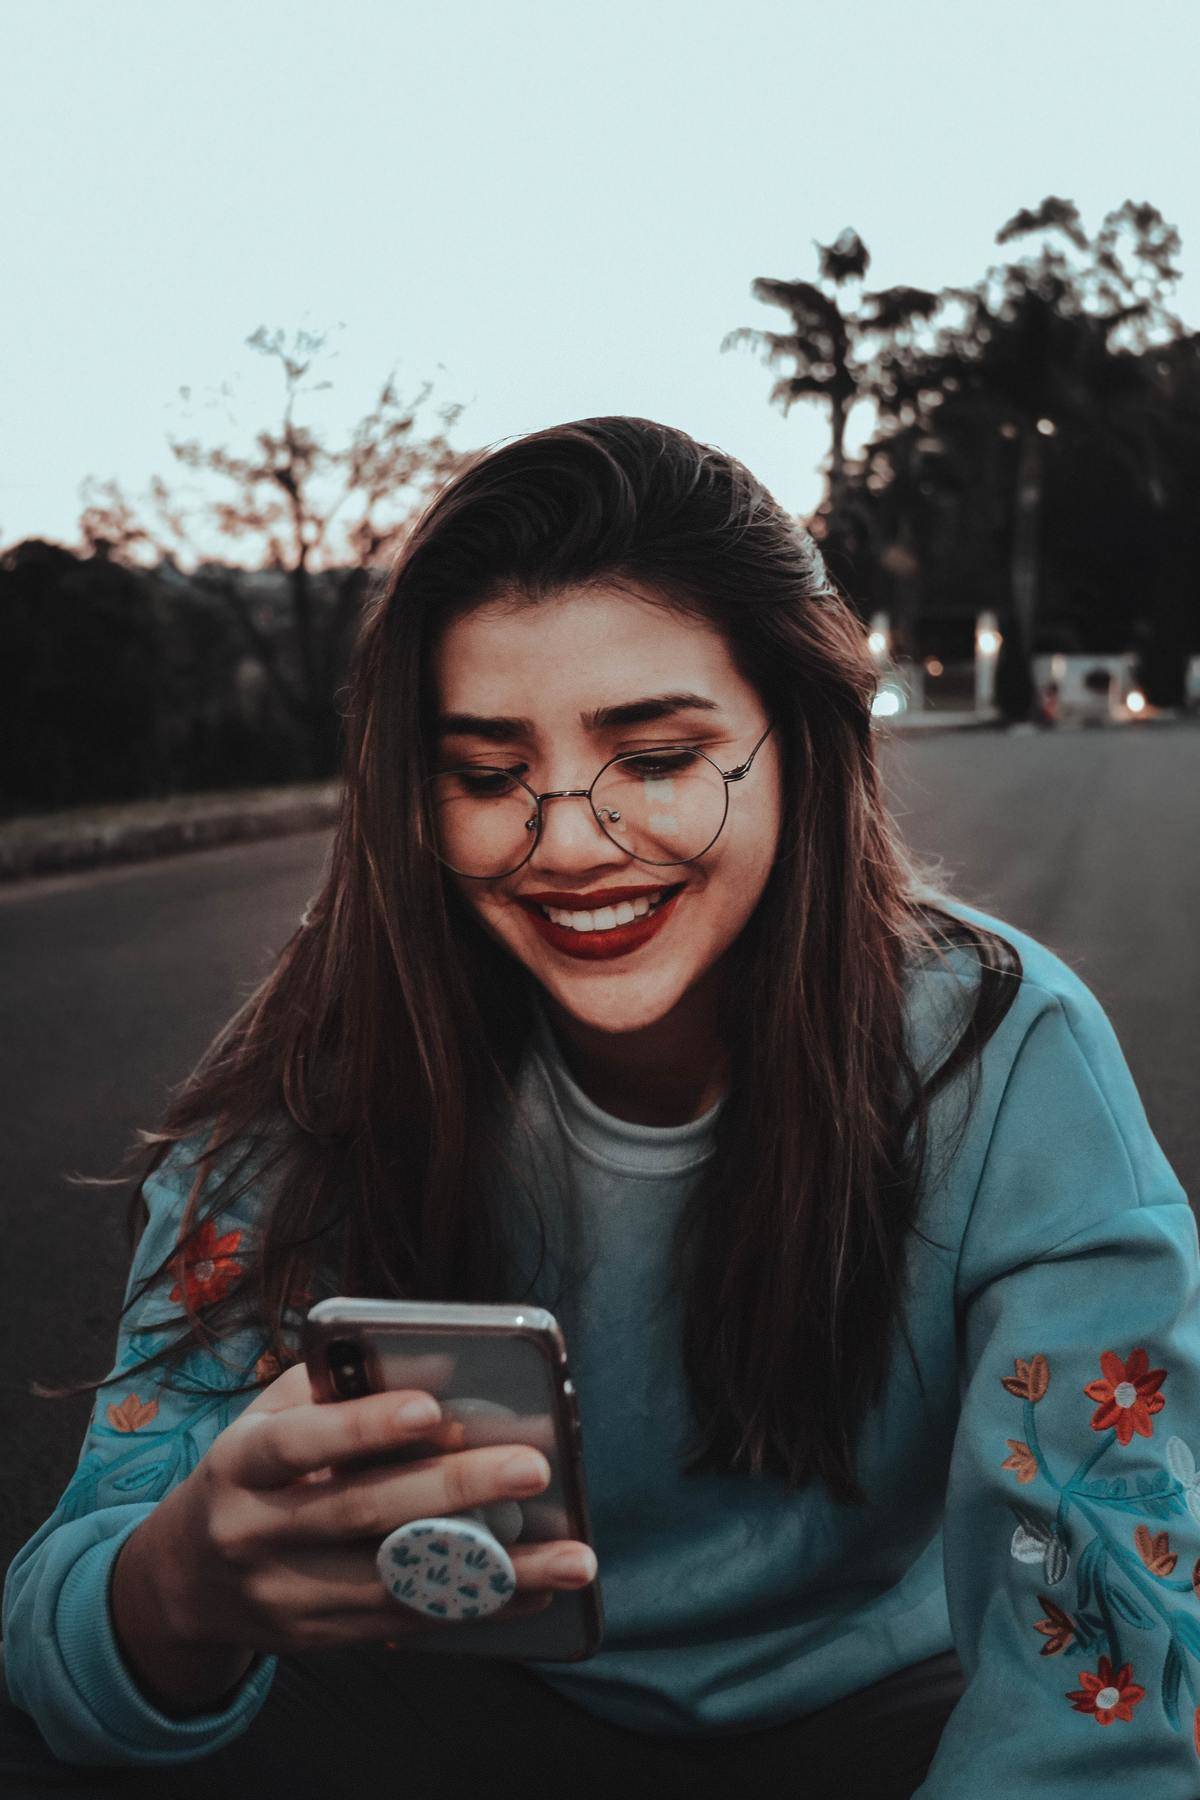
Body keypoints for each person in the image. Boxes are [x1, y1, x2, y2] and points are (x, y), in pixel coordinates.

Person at [2, 416, 1197, 1799]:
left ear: (802, 745)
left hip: (881, 1715)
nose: (568, 841)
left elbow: (1091, 1670)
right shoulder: (330, 1061)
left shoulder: (1005, 1052)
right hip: (436, 1690)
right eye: (488, 775)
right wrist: (181, 1588)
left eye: (655, 757)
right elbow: (59, 1629)